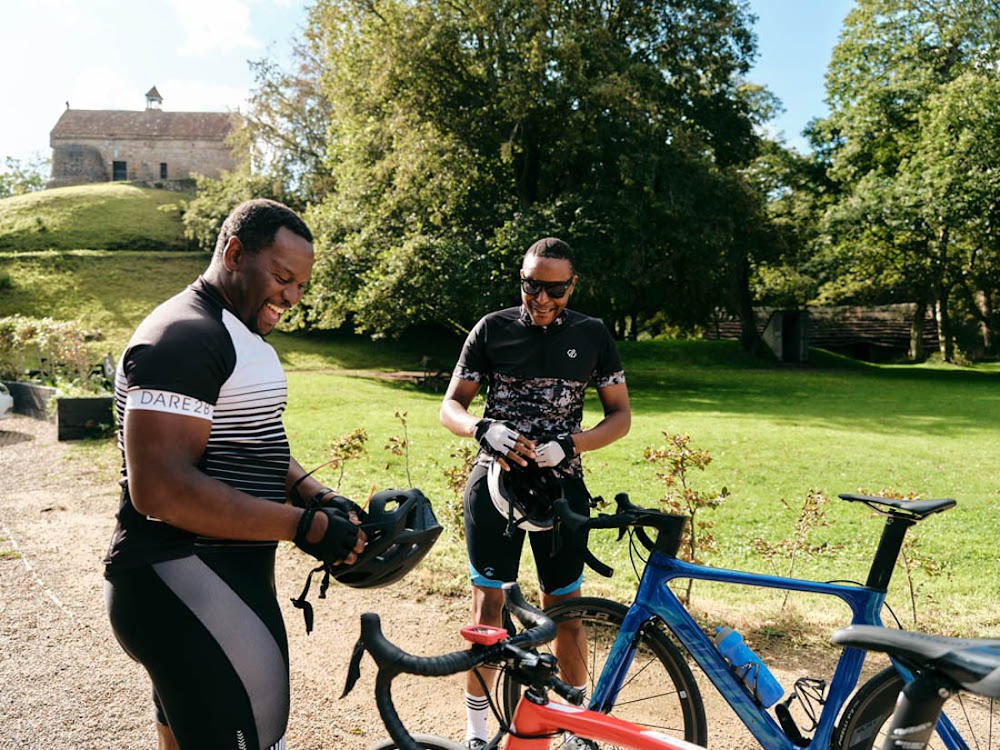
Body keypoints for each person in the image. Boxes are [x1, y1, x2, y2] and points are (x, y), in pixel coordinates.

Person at [103, 198, 367, 750]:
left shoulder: (230, 331)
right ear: (233, 252)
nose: (292, 297)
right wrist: (306, 528)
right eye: (282, 277)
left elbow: (252, 442)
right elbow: (160, 489)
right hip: (183, 581)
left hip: (212, 581)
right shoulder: (184, 337)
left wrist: (317, 494)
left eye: (301, 285)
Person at [440, 237, 631, 749]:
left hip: (561, 487)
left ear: (573, 285)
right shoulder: (491, 328)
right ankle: (478, 735)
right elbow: (450, 406)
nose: (541, 299)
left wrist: (570, 444)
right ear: (520, 279)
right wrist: (481, 428)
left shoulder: (592, 334)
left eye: (554, 289)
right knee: (488, 613)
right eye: (531, 286)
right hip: (493, 487)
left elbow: (620, 416)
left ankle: (575, 728)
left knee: (564, 612)